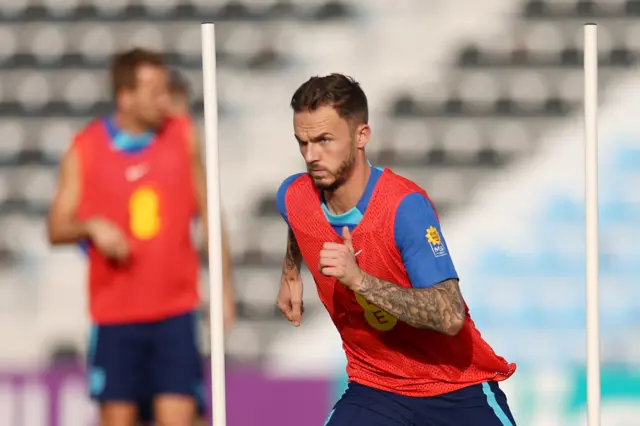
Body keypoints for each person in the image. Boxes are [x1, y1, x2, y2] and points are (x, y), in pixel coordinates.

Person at [275, 73, 518, 426]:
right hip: (375, 388)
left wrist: (359, 280)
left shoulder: (404, 208)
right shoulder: (293, 194)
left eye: (325, 140)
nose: (311, 156)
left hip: (454, 388)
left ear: (362, 136)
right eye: (303, 142)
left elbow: (450, 317)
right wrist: (290, 273)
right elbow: (298, 220)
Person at [46, 48, 235, 426]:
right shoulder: (85, 149)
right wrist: (92, 226)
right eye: (154, 91)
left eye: (165, 89)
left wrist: (224, 288)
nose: (164, 99)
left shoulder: (182, 136)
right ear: (125, 96)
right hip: (116, 318)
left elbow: (210, 214)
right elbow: (55, 227)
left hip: (175, 313)